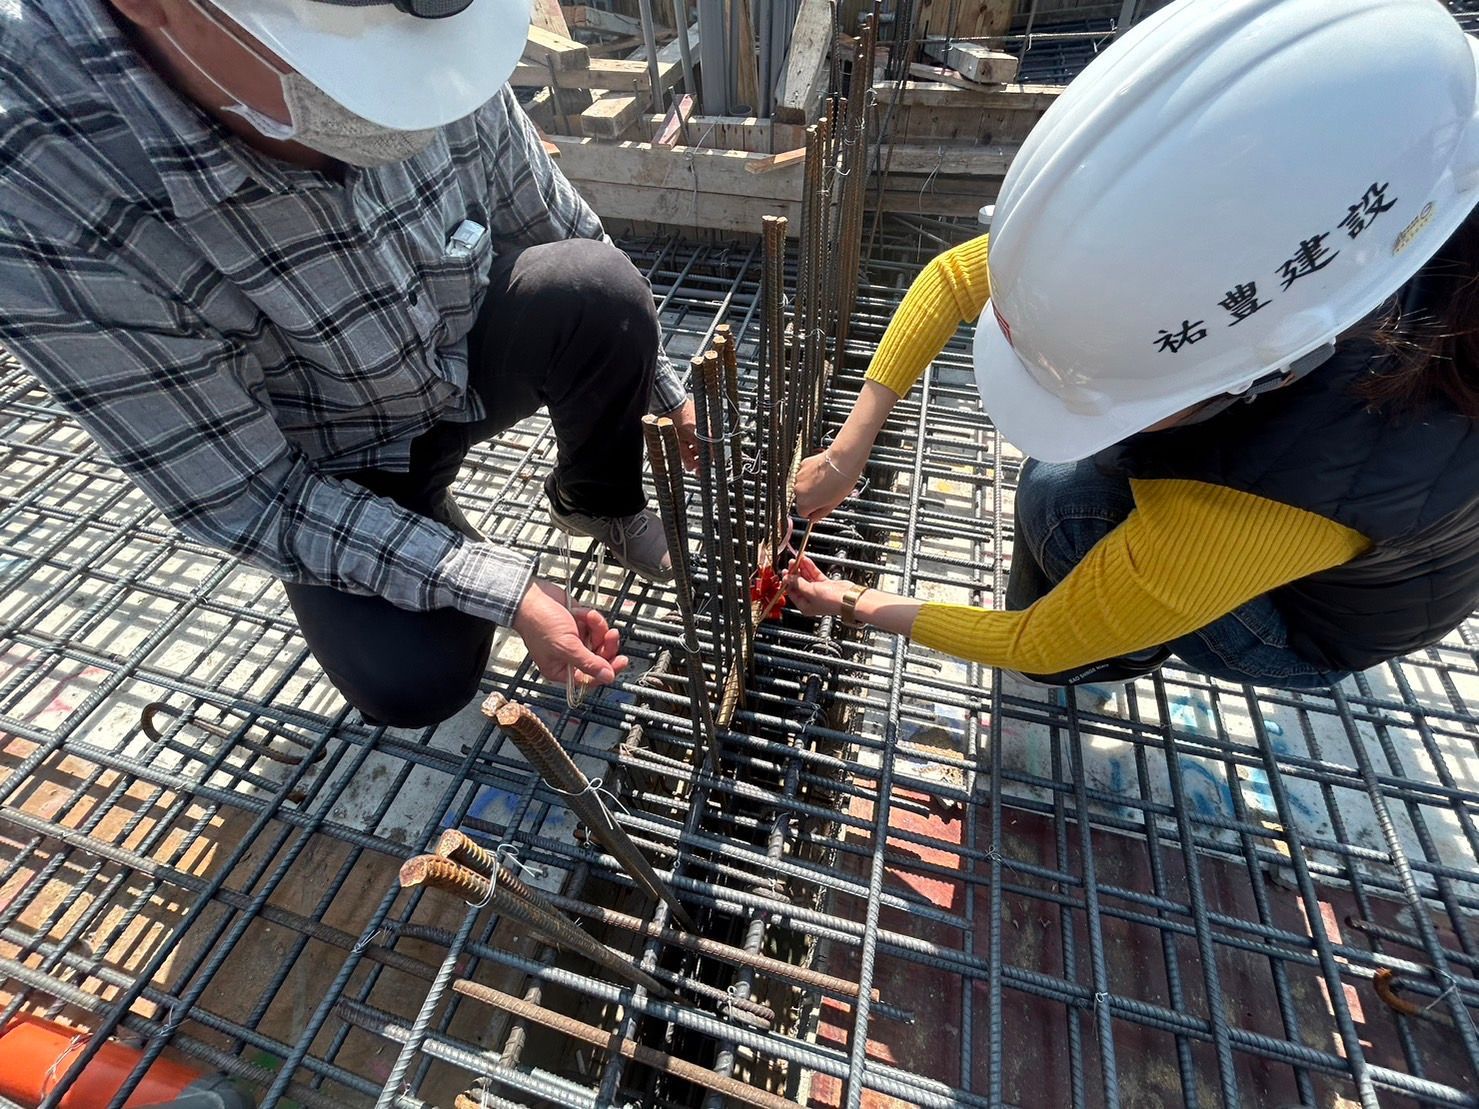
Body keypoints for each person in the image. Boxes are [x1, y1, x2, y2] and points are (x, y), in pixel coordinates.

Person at [0, 0, 702, 727]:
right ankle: (415, 522)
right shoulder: (38, 177)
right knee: (413, 678)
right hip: (335, 460)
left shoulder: (437, 37)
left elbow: (551, 219)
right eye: (361, 70)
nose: (411, 93)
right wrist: (501, 585)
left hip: (454, 358)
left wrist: (663, 387)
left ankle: (595, 502)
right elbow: (255, 495)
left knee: (599, 291)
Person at [789, 0, 1479, 691]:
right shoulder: (1328, 207)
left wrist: (846, 600)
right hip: (1350, 492)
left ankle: (1117, 653)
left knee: (1058, 498)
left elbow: (1036, 643)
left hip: (1310, 623)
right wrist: (848, 450)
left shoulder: (1273, 497)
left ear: (1260, 372)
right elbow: (951, 278)